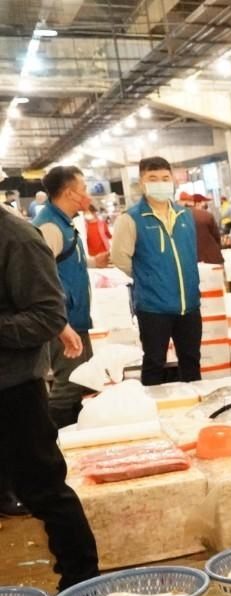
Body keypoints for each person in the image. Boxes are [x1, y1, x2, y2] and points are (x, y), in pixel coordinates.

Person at [0, 204, 100, 590]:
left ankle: (81, 586)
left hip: (12, 390)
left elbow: (47, 315)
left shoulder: (18, 238)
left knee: (43, 490)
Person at [111, 157, 202, 385]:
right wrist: (150, 277)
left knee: (191, 361)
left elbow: (190, 254)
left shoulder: (185, 215)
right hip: (154, 307)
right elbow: (120, 258)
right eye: (153, 178)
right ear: (142, 183)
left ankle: (195, 413)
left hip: (189, 305)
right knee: (154, 362)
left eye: (165, 178)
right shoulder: (130, 219)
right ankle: (153, 412)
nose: (160, 183)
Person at [33, 165, 104, 427]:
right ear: (69, 193)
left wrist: (94, 262)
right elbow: (38, 278)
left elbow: (63, 262)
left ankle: (76, 438)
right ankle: (57, 442)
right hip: (63, 322)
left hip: (73, 317)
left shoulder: (62, 223)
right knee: (68, 386)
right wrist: (60, 322)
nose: (87, 195)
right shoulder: (49, 227)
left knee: (81, 382)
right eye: (84, 189)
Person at [179, 193, 224, 265]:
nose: (205, 204)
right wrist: (219, 248)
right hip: (212, 258)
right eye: (204, 202)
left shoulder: (179, 218)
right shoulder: (206, 215)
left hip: (191, 260)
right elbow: (216, 236)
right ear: (196, 203)